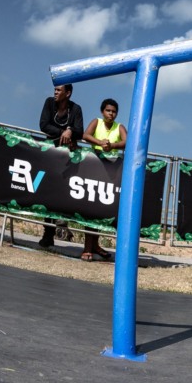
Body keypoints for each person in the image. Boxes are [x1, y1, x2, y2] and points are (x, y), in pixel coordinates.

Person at [80, 98, 128, 262]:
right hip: (94, 169)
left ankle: (95, 245)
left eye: (114, 111)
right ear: (102, 111)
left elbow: (127, 141)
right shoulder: (96, 122)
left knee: (101, 210)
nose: (111, 114)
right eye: (108, 110)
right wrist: (100, 143)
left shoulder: (119, 127)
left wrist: (112, 146)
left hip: (110, 173)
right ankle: (87, 248)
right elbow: (86, 135)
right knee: (90, 209)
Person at [37, 83, 84, 248]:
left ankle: (62, 228)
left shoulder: (76, 109)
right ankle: (48, 233)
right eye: (55, 89)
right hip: (50, 155)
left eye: (59, 90)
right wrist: (63, 132)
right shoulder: (49, 102)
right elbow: (43, 124)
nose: (55, 92)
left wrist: (71, 131)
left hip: (68, 160)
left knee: (63, 194)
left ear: (68, 93)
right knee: (47, 193)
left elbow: (80, 131)